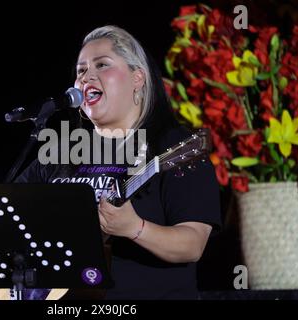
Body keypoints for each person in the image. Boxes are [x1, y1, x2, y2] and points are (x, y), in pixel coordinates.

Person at [15, 25, 221, 300]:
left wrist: (134, 228)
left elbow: (192, 244)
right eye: (80, 70)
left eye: (102, 65)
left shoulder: (173, 146)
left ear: (137, 78)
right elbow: (10, 215)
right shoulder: (62, 151)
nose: (87, 76)